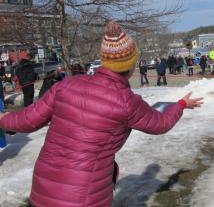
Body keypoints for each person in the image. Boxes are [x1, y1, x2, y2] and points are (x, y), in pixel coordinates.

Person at [0, 21, 203, 207]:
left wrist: (2, 119)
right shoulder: (127, 102)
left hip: (43, 189)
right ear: (130, 65)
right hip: (85, 196)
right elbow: (161, 124)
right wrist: (181, 104)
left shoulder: (67, 85)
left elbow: (27, 119)